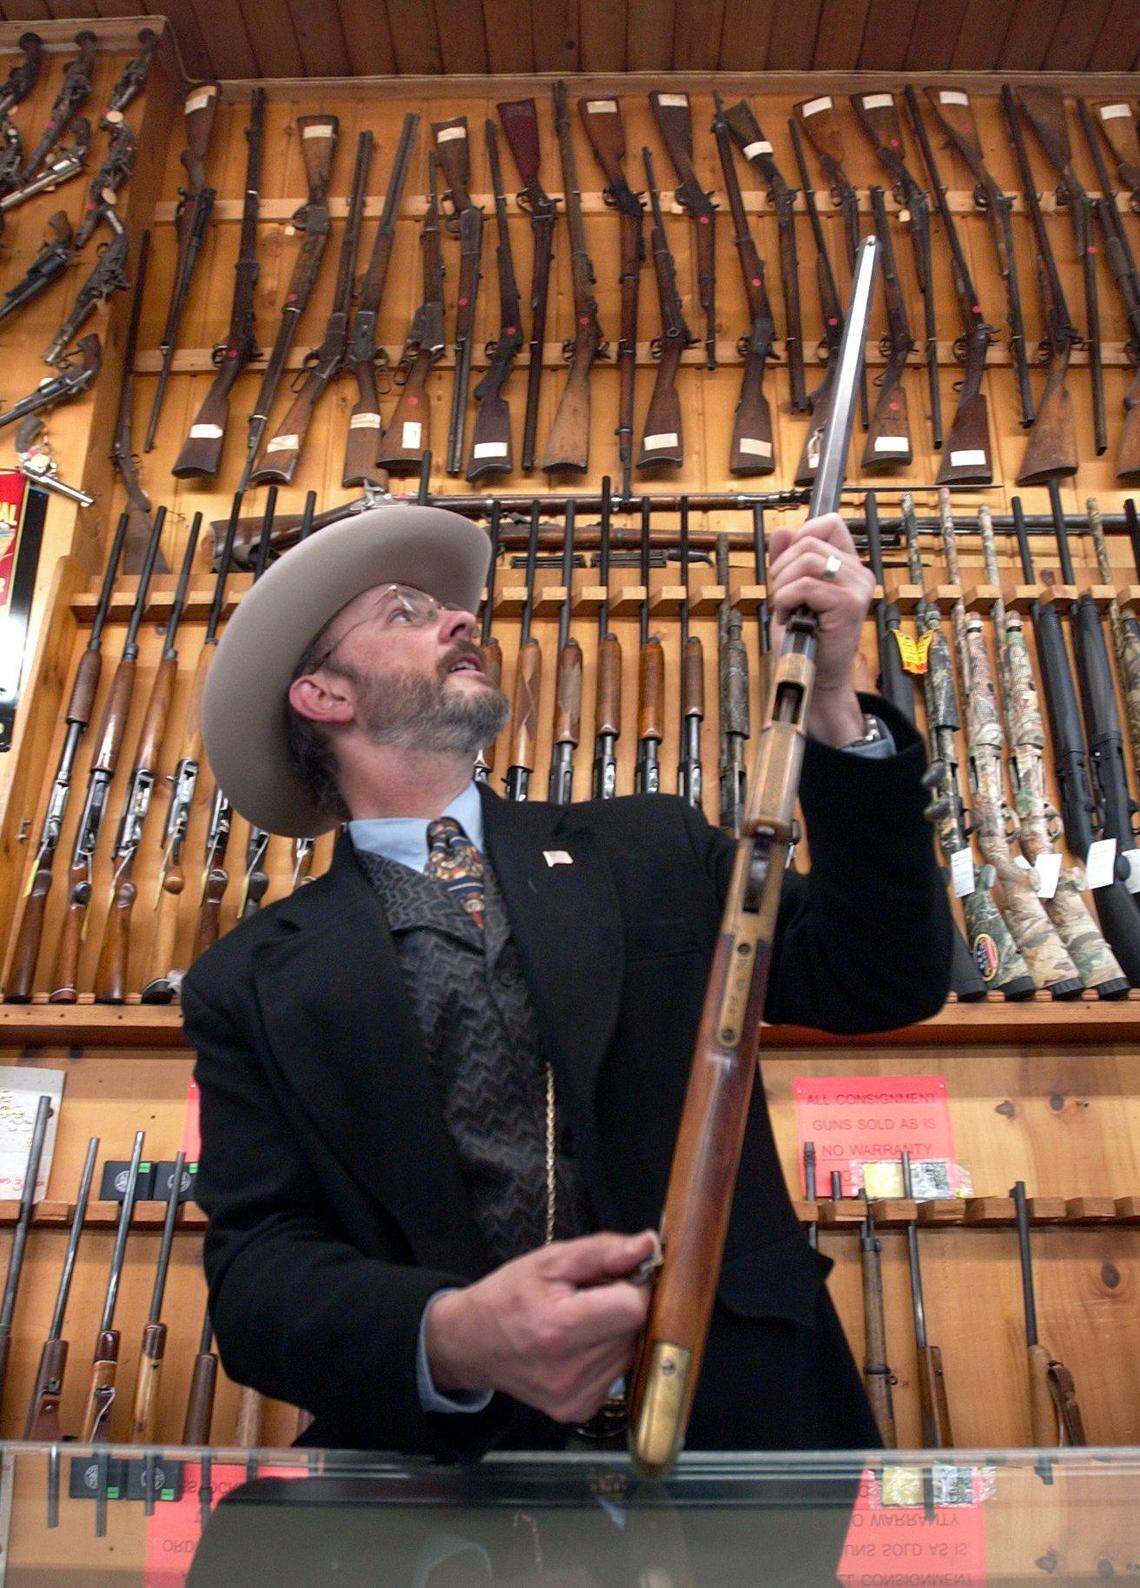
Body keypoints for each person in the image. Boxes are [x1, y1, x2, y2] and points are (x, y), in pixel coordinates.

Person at [184, 502, 952, 1460]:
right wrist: (456, 1335)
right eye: (405, 612)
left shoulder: (652, 847)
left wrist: (832, 697)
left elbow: (883, 978)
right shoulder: (247, 981)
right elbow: (258, 1279)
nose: (462, 620)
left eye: (451, 608)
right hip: (450, 1494)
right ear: (323, 697)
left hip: (751, 1431)